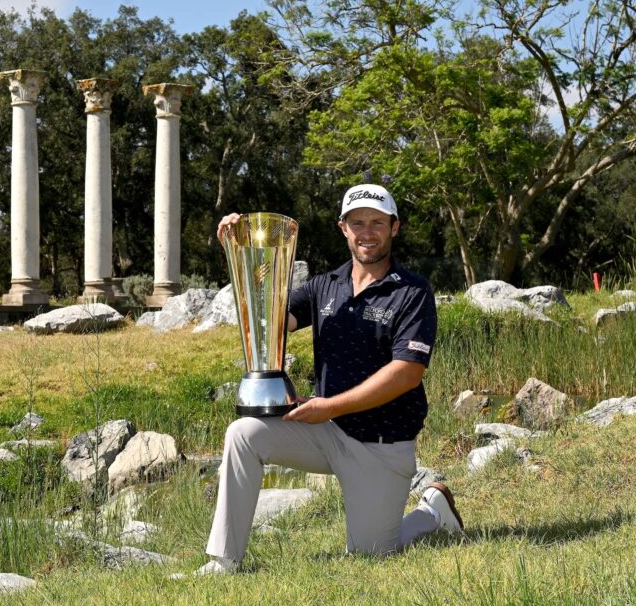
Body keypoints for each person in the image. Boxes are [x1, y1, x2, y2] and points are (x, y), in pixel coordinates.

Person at [191, 184, 463, 576]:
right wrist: (239, 254)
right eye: (357, 223)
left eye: (377, 223)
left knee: (372, 554)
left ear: (394, 228)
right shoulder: (324, 287)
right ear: (343, 229)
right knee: (243, 433)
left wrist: (328, 406)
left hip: (381, 445)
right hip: (327, 432)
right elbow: (267, 324)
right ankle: (225, 561)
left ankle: (431, 512)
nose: (367, 232)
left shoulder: (412, 292)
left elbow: (407, 372)